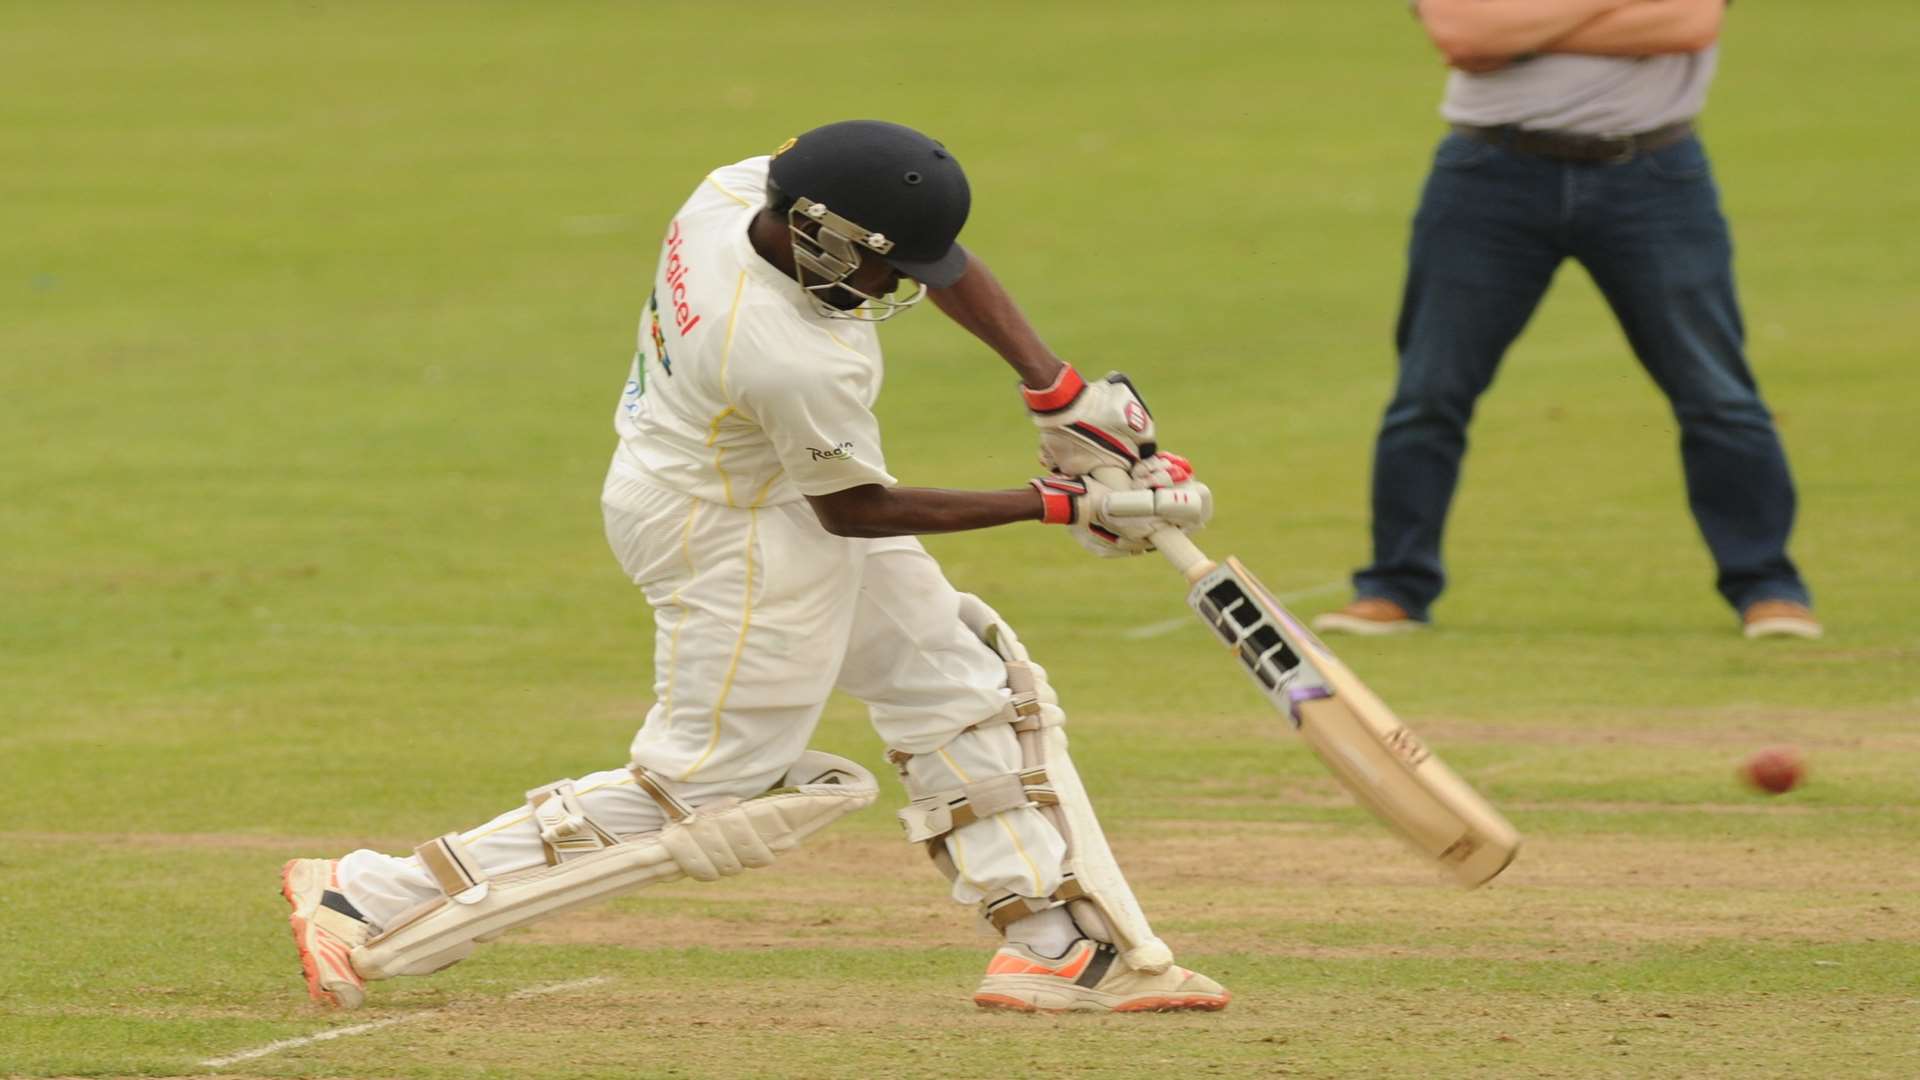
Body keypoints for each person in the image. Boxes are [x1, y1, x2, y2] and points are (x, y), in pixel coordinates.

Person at [279, 119, 1230, 1015]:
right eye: (886, 264)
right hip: (726, 530)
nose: (898, 282)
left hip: (741, 480)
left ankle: (1051, 942)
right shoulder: (782, 354)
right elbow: (854, 511)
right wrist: (1065, 501)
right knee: (708, 786)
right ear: (817, 231)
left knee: (954, 681)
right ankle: (369, 895)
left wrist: (1055, 391)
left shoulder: (741, 191)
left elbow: (933, 262)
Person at [1315, 0, 1820, 640]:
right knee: (1429, 390)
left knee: (1715, 392)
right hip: (1488, 175)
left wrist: (1525, 25)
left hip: (1655, 174)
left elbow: (1690, 23)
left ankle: (1768, 587)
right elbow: (1465, 34)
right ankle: (1394, 587)